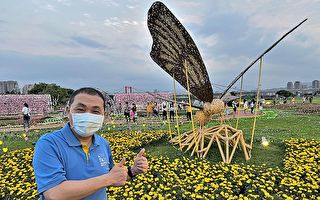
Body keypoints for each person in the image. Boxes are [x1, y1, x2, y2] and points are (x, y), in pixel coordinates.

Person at [33, 87, 148, 200]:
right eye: (80, 110)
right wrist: (107, 179)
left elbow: (112, 176)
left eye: (95, 111)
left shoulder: (102, 144)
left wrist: (133, 170)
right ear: (68, 111)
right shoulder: (49, 144)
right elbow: (55, 194)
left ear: (104, 115)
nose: (88, 115)